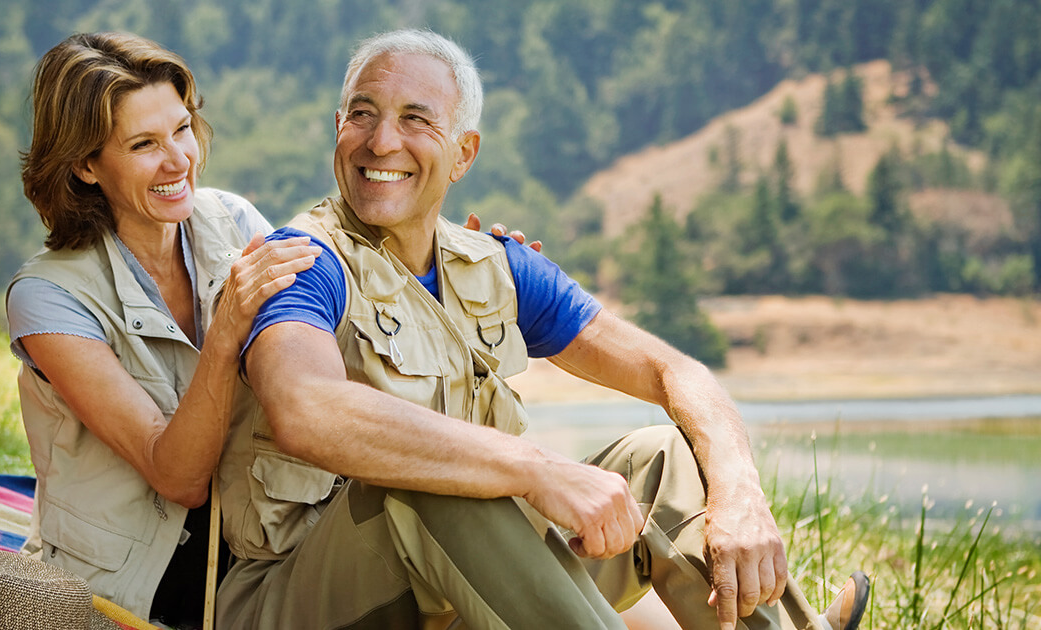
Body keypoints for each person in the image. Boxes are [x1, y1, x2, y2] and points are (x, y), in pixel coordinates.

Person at [217, 29, 871, 630]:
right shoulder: (303, 261)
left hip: (474, 581)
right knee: (441, 478)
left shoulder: (498, 265)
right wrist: (533, 470)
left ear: (463, 153)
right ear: (338, 127)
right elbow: (305, 409)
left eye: (415, 119)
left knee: (664, 457)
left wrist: (739, 491)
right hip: (305, 597)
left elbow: (678, 374)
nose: (381, 141)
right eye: (363, 113)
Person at [8, 32, 533, 628]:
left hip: (259, 563)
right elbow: (176, 477)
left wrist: (444, 268)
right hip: (129, 596)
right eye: (143, 144)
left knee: (448, 514)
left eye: (181, 130)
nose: (178, 160)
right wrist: (226, 332)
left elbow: (345, 316)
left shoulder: (232, 220)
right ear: (84, 164)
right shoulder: (47, 299)